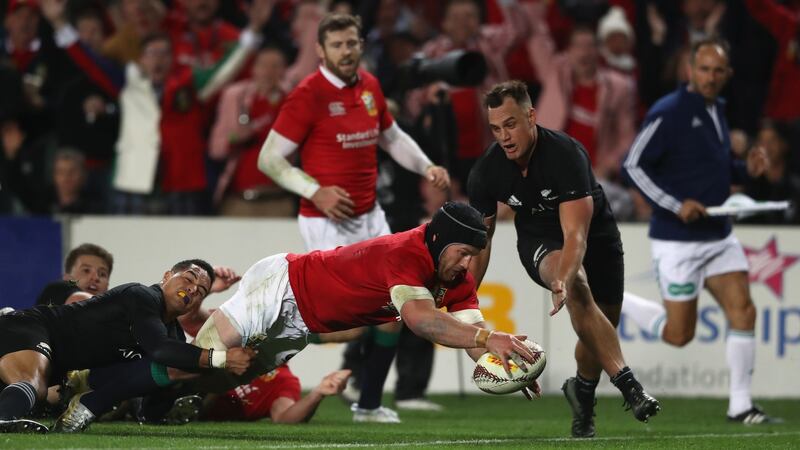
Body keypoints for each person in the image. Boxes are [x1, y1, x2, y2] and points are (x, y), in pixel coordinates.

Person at [257, 13, 450, 423]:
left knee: (394, 307)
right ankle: (261, 345)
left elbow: (391, 137)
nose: (347, 51)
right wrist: (316, 191)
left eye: (352, 43)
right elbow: (269, 159)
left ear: (361, 45)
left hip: (370, 218)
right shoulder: (308, 95)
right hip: (327, 224)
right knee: (348, 319)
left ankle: (369, 403)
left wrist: (427, 166)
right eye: (338, 45)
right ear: (320, 51)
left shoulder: (369, 87)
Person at [467, 80, 660, 439]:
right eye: (495, 129)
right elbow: (481, 241)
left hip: (596, 237)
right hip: (540, 242)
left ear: (531, 116)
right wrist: (465, 298)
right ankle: (630, 387)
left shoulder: (566, 154)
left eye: (510, 124)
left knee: (598, 332)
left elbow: (577, 236)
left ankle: (582, 393)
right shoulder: (486, 171)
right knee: (580, 289)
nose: (504, 137)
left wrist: (564, 278)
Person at [620, 38, 780, 425]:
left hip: (718, 236)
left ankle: (740, 406)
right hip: (678, 242)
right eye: (703, 69)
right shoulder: (670, 111)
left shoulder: (716, 109)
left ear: (728, 75)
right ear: (690, 70)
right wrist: (677, 204)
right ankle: (611, 296)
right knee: (678, 335)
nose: (710, 77)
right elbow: (634, 165)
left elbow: (715, 168)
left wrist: (746, 171)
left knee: (744, 311)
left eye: (717, 71)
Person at [0, 259, 254, 433]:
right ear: (166, 276)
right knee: (35, 385)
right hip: (28, 327)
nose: (192, 289)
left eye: (200, 291)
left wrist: (175, 392)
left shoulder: (171, 334)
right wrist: (222, 359)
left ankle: (83, 402)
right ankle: (5, 419)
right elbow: (160, 350)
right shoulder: (141, 295)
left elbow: (154, 403)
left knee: (186, 364)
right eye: (188, 278)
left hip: (58, 365)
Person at [201, 366, 351, 424]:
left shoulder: (284, 380)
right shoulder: (229, 341)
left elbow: (283, 417)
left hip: (200, 410)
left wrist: (318, 393)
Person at [35, 243, 114, 307]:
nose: (95, 277)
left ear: (107, 286)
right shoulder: (55, 290)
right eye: (86, 270)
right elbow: (81, 301)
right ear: (67, 278)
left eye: (102, 274)